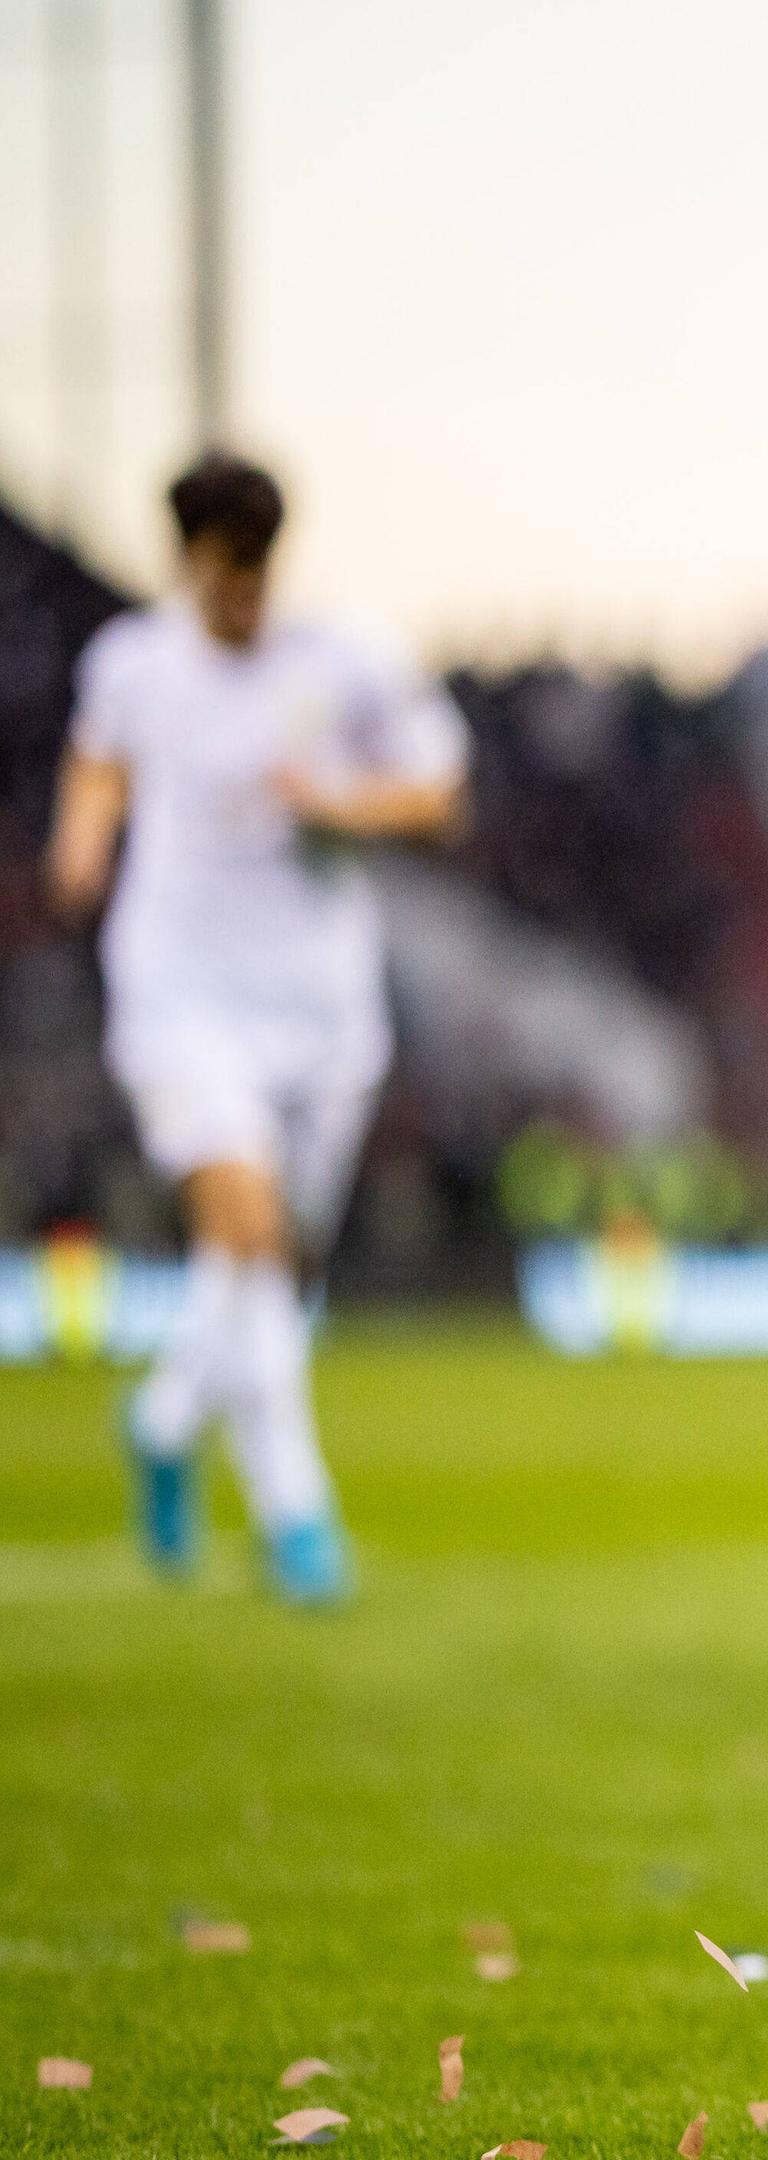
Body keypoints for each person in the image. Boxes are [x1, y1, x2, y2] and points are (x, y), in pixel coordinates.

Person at [42, 450, 469, 1605]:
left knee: (272, 1267)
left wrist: (343, 804)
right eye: (225, 573)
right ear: (188, 562)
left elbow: (439, 795)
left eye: (258, 572)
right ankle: (299, 1516)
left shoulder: (346, 663)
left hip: (323, 1015)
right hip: (181, 995)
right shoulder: (133, 666)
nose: (243, 595)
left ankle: (166, 1415)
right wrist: (81, 838)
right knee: (246, 1230)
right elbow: (98, 763)